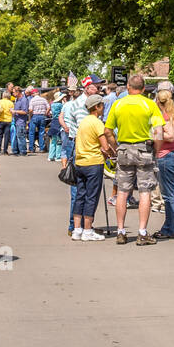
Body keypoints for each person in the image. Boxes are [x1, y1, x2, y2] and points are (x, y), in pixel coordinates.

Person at [105, 73, 164, 245]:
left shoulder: (118, 104)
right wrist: (157, 150)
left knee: (122, 191)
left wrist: (116, 148)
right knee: (145, 191)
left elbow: (107, 131)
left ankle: (121, 231)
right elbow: (159, 131)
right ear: (144, 89)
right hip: (144, 150)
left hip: (124, 148)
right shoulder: (149, 104)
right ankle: (142, 232)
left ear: (129, 88)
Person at [66, 94, 107, 240]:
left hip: (81, 162)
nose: (103, 107)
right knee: (91, 197)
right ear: (97, 107)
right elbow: (105, 145)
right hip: (93, 162)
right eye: (102, 105)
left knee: (80, 195)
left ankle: (77, 229)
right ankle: (88, 230)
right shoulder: (97, 123)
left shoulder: (83, 122)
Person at [153, 88, 174, 239]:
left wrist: (153, 134)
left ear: (158, 102)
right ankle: (169, 226)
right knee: (169, 194)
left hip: (167, 156)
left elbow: (171, 135)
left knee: (168, 195)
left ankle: (170, 229)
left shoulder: (165, 115)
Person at [28, 88, 50, 154]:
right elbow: (48, 107)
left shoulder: (32, 100)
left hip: (34, 116)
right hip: (42, 116)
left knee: (32, 133)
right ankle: (41, 148)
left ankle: (31, 148)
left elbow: (31, 110)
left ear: (33, 94)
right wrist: (46, 113)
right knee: (41, 132)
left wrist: (30, 116)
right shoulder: (43, 99)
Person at [11, 87, 30, 155]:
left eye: (13, 92)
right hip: (17, 121)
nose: (12, 93)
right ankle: (17, 150)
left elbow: (25, 111)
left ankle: (23, 151)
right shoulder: (17, 99)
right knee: (17, 136)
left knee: (21, 136)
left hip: (21, 121)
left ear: (18, 92)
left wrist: (14, 111)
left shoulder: (23, 100)